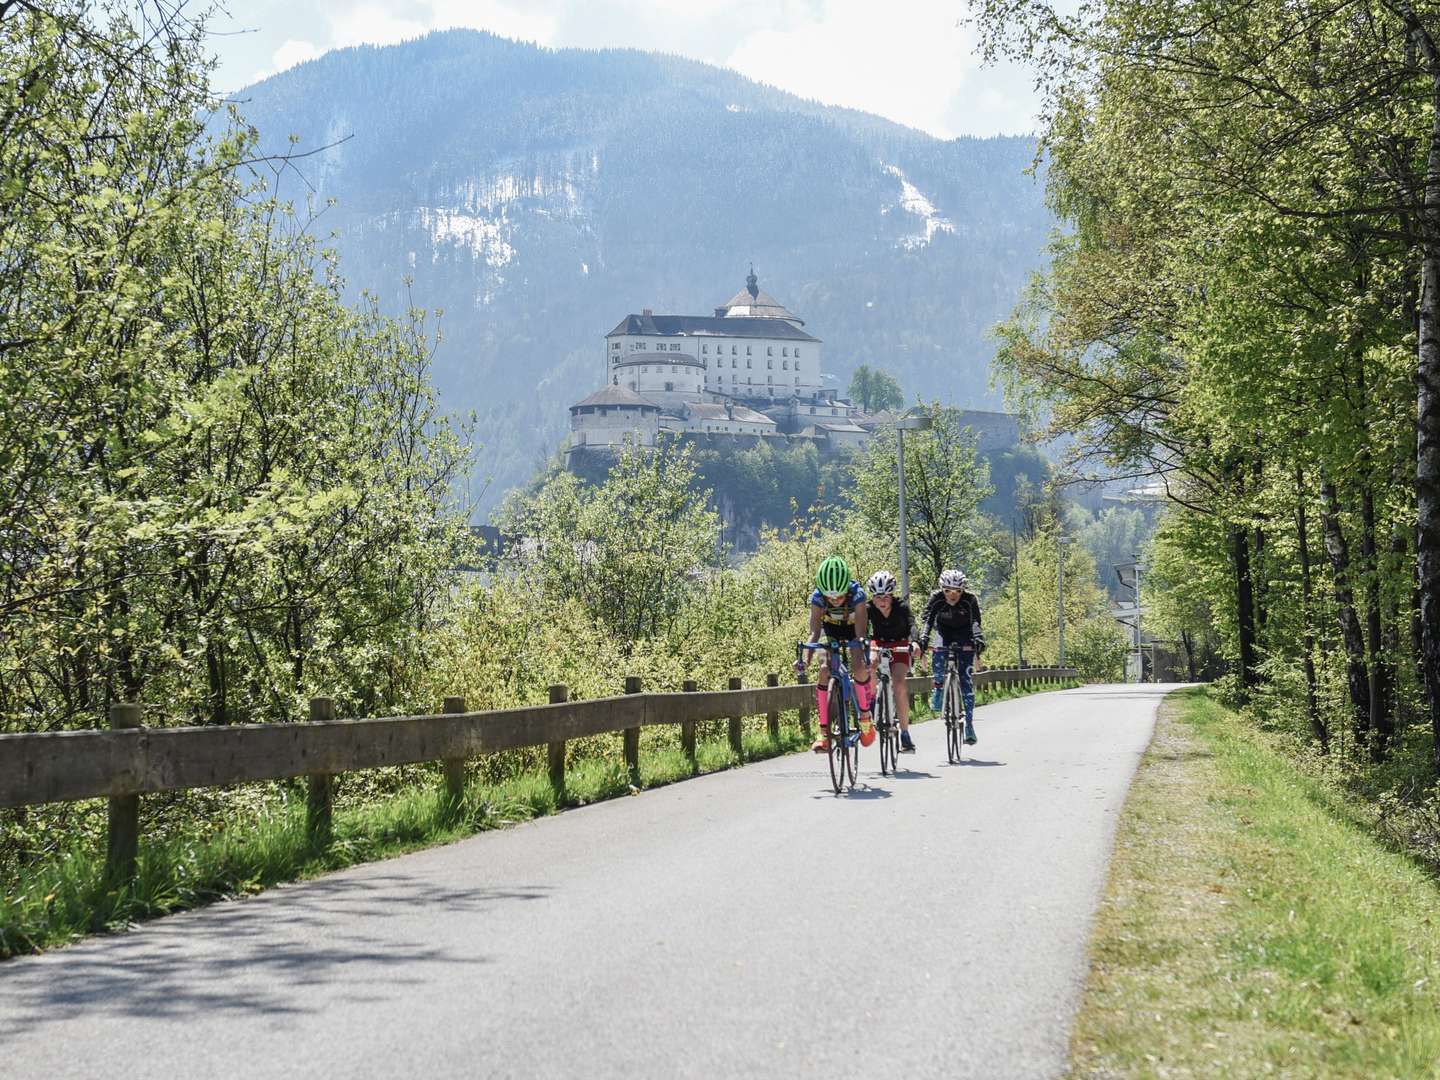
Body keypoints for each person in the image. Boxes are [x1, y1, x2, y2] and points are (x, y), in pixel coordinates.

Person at [795, 555, 875, 752]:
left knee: (857, 665)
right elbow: (814, 632)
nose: (835, 600)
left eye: (839, 596)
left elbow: (860, 632)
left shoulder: (858, 595)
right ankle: (824, 734)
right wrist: (805, 661)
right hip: (830, 632)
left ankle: (865, 717)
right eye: (830, 597)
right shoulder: (817, 598)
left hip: (854, 631)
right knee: (824, 669)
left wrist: (860, 648)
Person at [920, 568, 984, 744]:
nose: (952, 595)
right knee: (938, 654)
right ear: (942, 589)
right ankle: (939, 687)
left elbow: (975, 621)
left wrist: (978, 638)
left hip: (965, 634)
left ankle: (969, 726)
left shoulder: (970, 600)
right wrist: (924, 638)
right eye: (947, 591)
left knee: (966, 681)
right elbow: (928, 620)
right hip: (944, 632)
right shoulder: (936, 599)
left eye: (957, 591)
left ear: (962, 590)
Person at [864, 570, 920, 752]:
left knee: (899, 684)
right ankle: (872, 703)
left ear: (892, 595)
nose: (882, 601)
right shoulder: (868, 609)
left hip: (900, 645)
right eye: (878, 597)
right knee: (871, 663)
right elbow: (863, 631)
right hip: (878, 643)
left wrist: (915, 642)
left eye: (886, 596)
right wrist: (863, 643)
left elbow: (912, 625)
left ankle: (904, 733)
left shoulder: (901, 607)